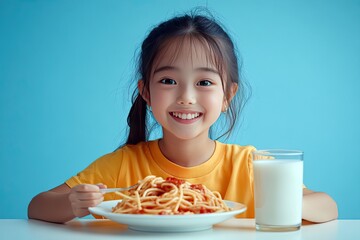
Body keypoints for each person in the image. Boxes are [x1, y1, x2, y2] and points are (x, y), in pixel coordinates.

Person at [28, 11, 338, 224]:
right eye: (168, 81)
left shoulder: (248, 165)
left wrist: (284, 200)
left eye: (204, 83)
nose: (186, 97)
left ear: (228, 95)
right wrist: (72, 204)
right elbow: (38, 206)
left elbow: (328, 207)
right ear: (146, 92)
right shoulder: (122, 165)